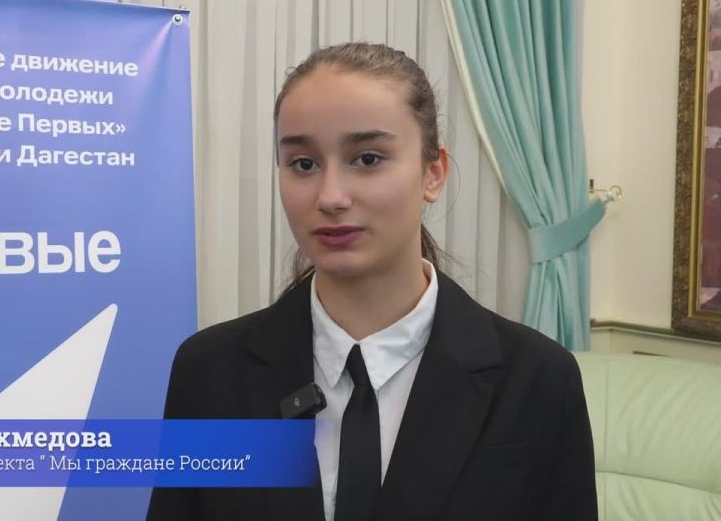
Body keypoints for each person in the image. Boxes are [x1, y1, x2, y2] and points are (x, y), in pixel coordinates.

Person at [146, 42, 597, 521]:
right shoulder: (211, 371)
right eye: (304, 164)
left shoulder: (537, 378)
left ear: (433, 173)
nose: (331, 197)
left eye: (367, 159)